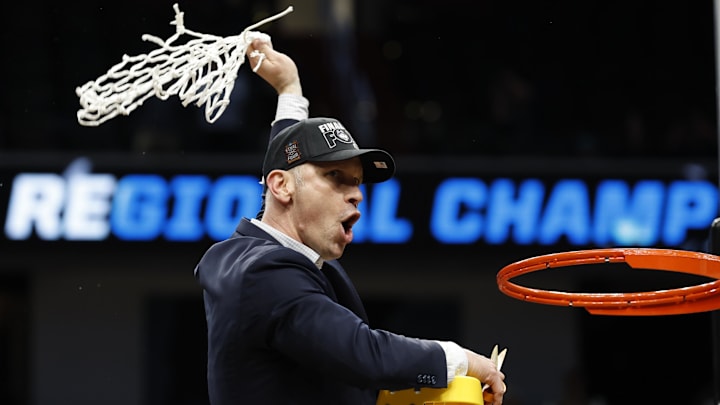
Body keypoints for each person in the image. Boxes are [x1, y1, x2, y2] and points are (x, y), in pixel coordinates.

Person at [193, 38, 507, 405]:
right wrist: (462, 360)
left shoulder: (258, 252)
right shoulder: (265, 273)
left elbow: (285, 170)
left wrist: (289, 90)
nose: (356, 194)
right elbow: (364, 354)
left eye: (356, 182)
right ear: (281, 187)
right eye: (336, 178)